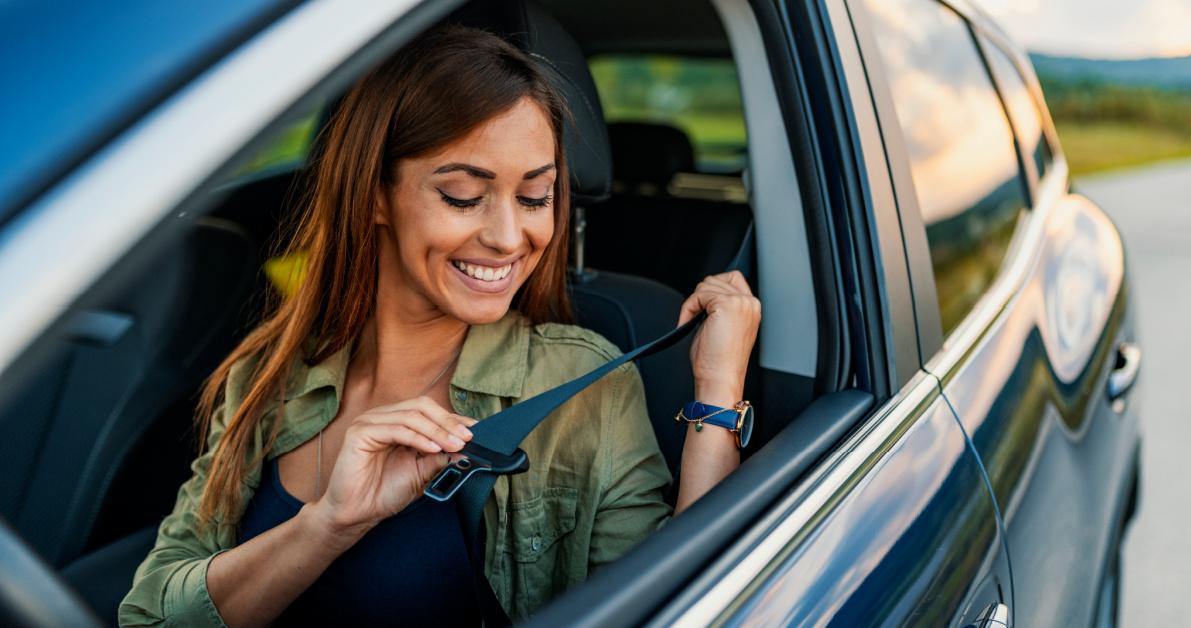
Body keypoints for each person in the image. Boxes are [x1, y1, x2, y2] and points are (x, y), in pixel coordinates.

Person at [119, 24, 759, 627]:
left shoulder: (582, 380)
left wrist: (718, 395)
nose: (511, 236)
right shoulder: (264, 376)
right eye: (462, 195)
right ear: (373, 195)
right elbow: (151, 610)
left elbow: (682, 603)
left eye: (536, 197)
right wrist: (327, 527)